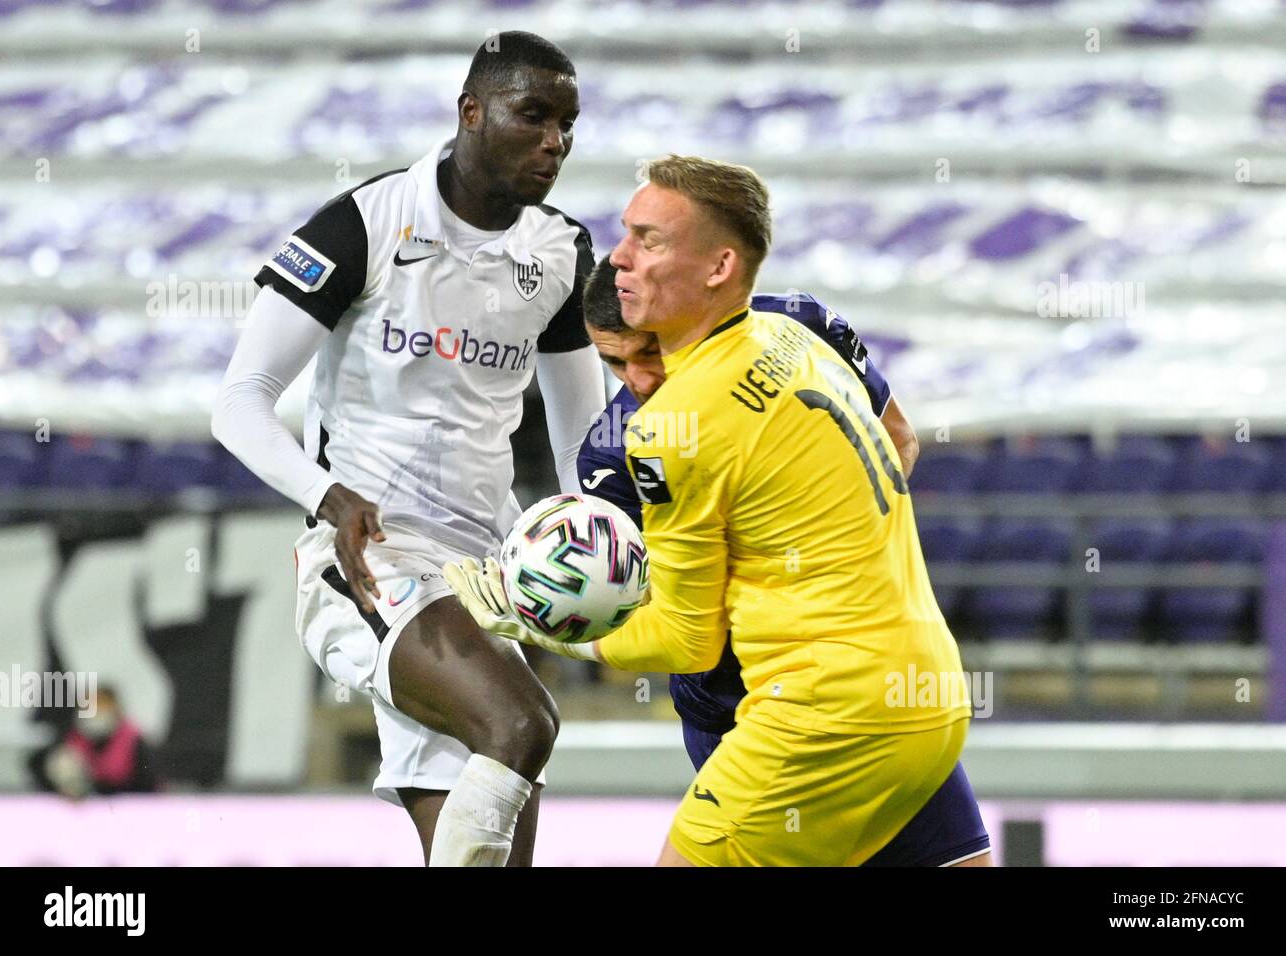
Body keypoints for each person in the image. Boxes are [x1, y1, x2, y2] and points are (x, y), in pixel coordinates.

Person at [447, 155, 972, 866]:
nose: (639, 380)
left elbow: (682, 636)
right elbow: (892, 442)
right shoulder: (796, 330)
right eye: (617, 366)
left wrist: (543, 625)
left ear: (719, 267)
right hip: (923, 688)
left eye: (648, 240)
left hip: (814, 711)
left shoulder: (667, 433)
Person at [212, 31, 605, 867]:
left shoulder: (561, 250)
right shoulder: (362, 224)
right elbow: (238, 404)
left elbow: (580, 434)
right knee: (523, 722)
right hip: (365, 557)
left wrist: (593, 538)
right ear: (471, 111)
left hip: (490, 576)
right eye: (533, 116)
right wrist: (327, 495)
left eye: (568, 124)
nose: (555, 143)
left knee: (494, 857)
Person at [574, 255, 991, 867]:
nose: (638, 380)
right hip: (745, 708)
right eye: (615, 363)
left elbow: (898, 437)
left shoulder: (797, 324)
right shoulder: (614, 462)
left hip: (865, 682)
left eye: (651, 353)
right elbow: (679, 618)